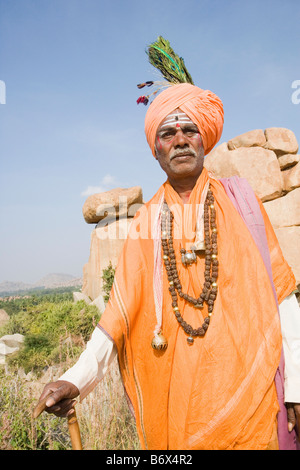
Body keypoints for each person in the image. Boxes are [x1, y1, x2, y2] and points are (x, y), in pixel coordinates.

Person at [37, 41, 300, 450]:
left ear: (203, 139)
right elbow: (118, 319)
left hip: (255, 403)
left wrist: (297, 385)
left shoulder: (242, 202)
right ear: (155, 149)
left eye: (189, 129)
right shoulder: (145, 224)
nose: (180, 139)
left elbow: (282, 299)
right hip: (180, 411)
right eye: (168, 132)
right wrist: (76, 379)